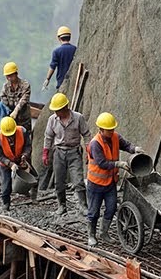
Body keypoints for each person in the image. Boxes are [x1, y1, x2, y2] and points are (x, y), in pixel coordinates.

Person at [86, 111, 142, 246]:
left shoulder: (116, 137)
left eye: (112, 129)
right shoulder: (95, 144)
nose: (111, 132)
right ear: (101, 130)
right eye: (108, 130)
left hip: (110, 182)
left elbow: (126, 145)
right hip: (96, 184)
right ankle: (91, 235)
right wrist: (119, 164)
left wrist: (134, 149)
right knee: (94, 211)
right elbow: (102, 163)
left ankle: (104, 233)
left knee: (111, 208)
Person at [41, 92, 91, 215]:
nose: (56, 113)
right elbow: (48, 137)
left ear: (65, 108)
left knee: (78, 180)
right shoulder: (52, 120)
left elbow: (86, 134)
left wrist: (88, 152)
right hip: (59, 152)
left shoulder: (78, 118)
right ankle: (61, 205)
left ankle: (83, 205)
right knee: (59, 181)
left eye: (58, 110)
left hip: (74, 152)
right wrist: (45, 153)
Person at [0, 117, 30, 212]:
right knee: (5, 186)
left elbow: (28, 146)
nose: (10, 137)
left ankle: (26, 192)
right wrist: (10, 164)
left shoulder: (22, 131)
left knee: (28, 178)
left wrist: (25, 156)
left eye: (12, 134)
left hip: (19, 158)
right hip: (6, 163)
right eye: (8, 135)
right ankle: (6, 204)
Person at [0, 61, 33, 137]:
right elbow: (3, 97)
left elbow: (23, 100)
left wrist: (15, 111)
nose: (9, 78)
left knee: (25, 138)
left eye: (11, 75)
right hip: (11, 119)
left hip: (23, 118)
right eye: (7, 76)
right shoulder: (5, 86)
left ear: (16, 74)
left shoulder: (25, 85)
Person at [44, 26, 77, 92]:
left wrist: (47, 79)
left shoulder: (57, 51)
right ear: (70, 37)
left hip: (62, 81)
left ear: (59, 38)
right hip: (75, 79)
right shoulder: (75, 49)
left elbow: (52, 67)